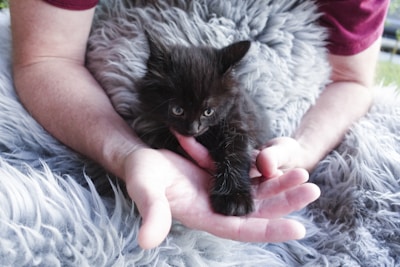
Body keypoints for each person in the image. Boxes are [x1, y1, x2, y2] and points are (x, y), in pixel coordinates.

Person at [9, 0, 388, 250]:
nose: (192, 126)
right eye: (181, 113)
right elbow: (47, 55)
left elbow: (352, 80)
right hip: (76, 106)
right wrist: (126, 153)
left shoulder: (227, 98)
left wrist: (300, 150)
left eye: (204, 114)